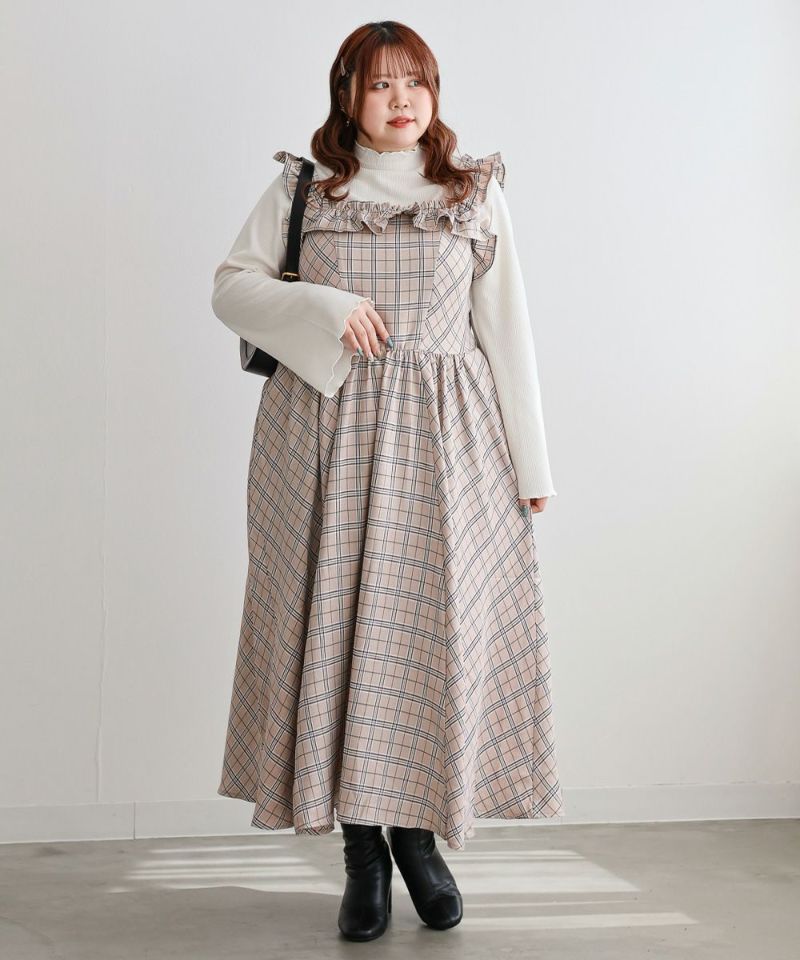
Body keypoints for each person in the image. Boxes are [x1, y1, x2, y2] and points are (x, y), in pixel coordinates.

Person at [211, 20, 564, 943]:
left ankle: (419, 842)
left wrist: (532, 466)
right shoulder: (305, 190)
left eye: (416, 81)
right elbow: (231, 288)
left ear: (434, 93)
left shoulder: (472, 192)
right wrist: (323, 304)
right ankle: (363, 856)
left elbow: (508, 332)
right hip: (319, 440)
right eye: (379, 84)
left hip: (450, 447)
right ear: (348, 96)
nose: (401, 100)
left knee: (424, 640)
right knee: (333, 633)